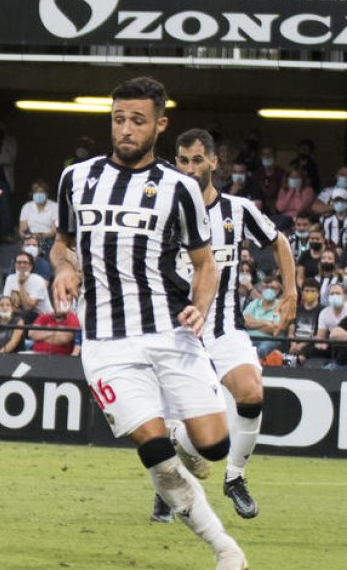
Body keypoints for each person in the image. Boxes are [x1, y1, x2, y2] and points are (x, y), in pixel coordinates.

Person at [51, 77, 247, 568]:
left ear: (160, 124)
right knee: (153, 448)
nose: (126, 129)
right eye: (118, 119)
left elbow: (206, 265)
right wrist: (63, 268)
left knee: (215, 444)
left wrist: (201, 307)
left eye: (137, 120)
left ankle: (185, 436)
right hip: (105, 343)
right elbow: (60, 243)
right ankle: (225, 549)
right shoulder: (76, 179)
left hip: (169, 332)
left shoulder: (180, 189)